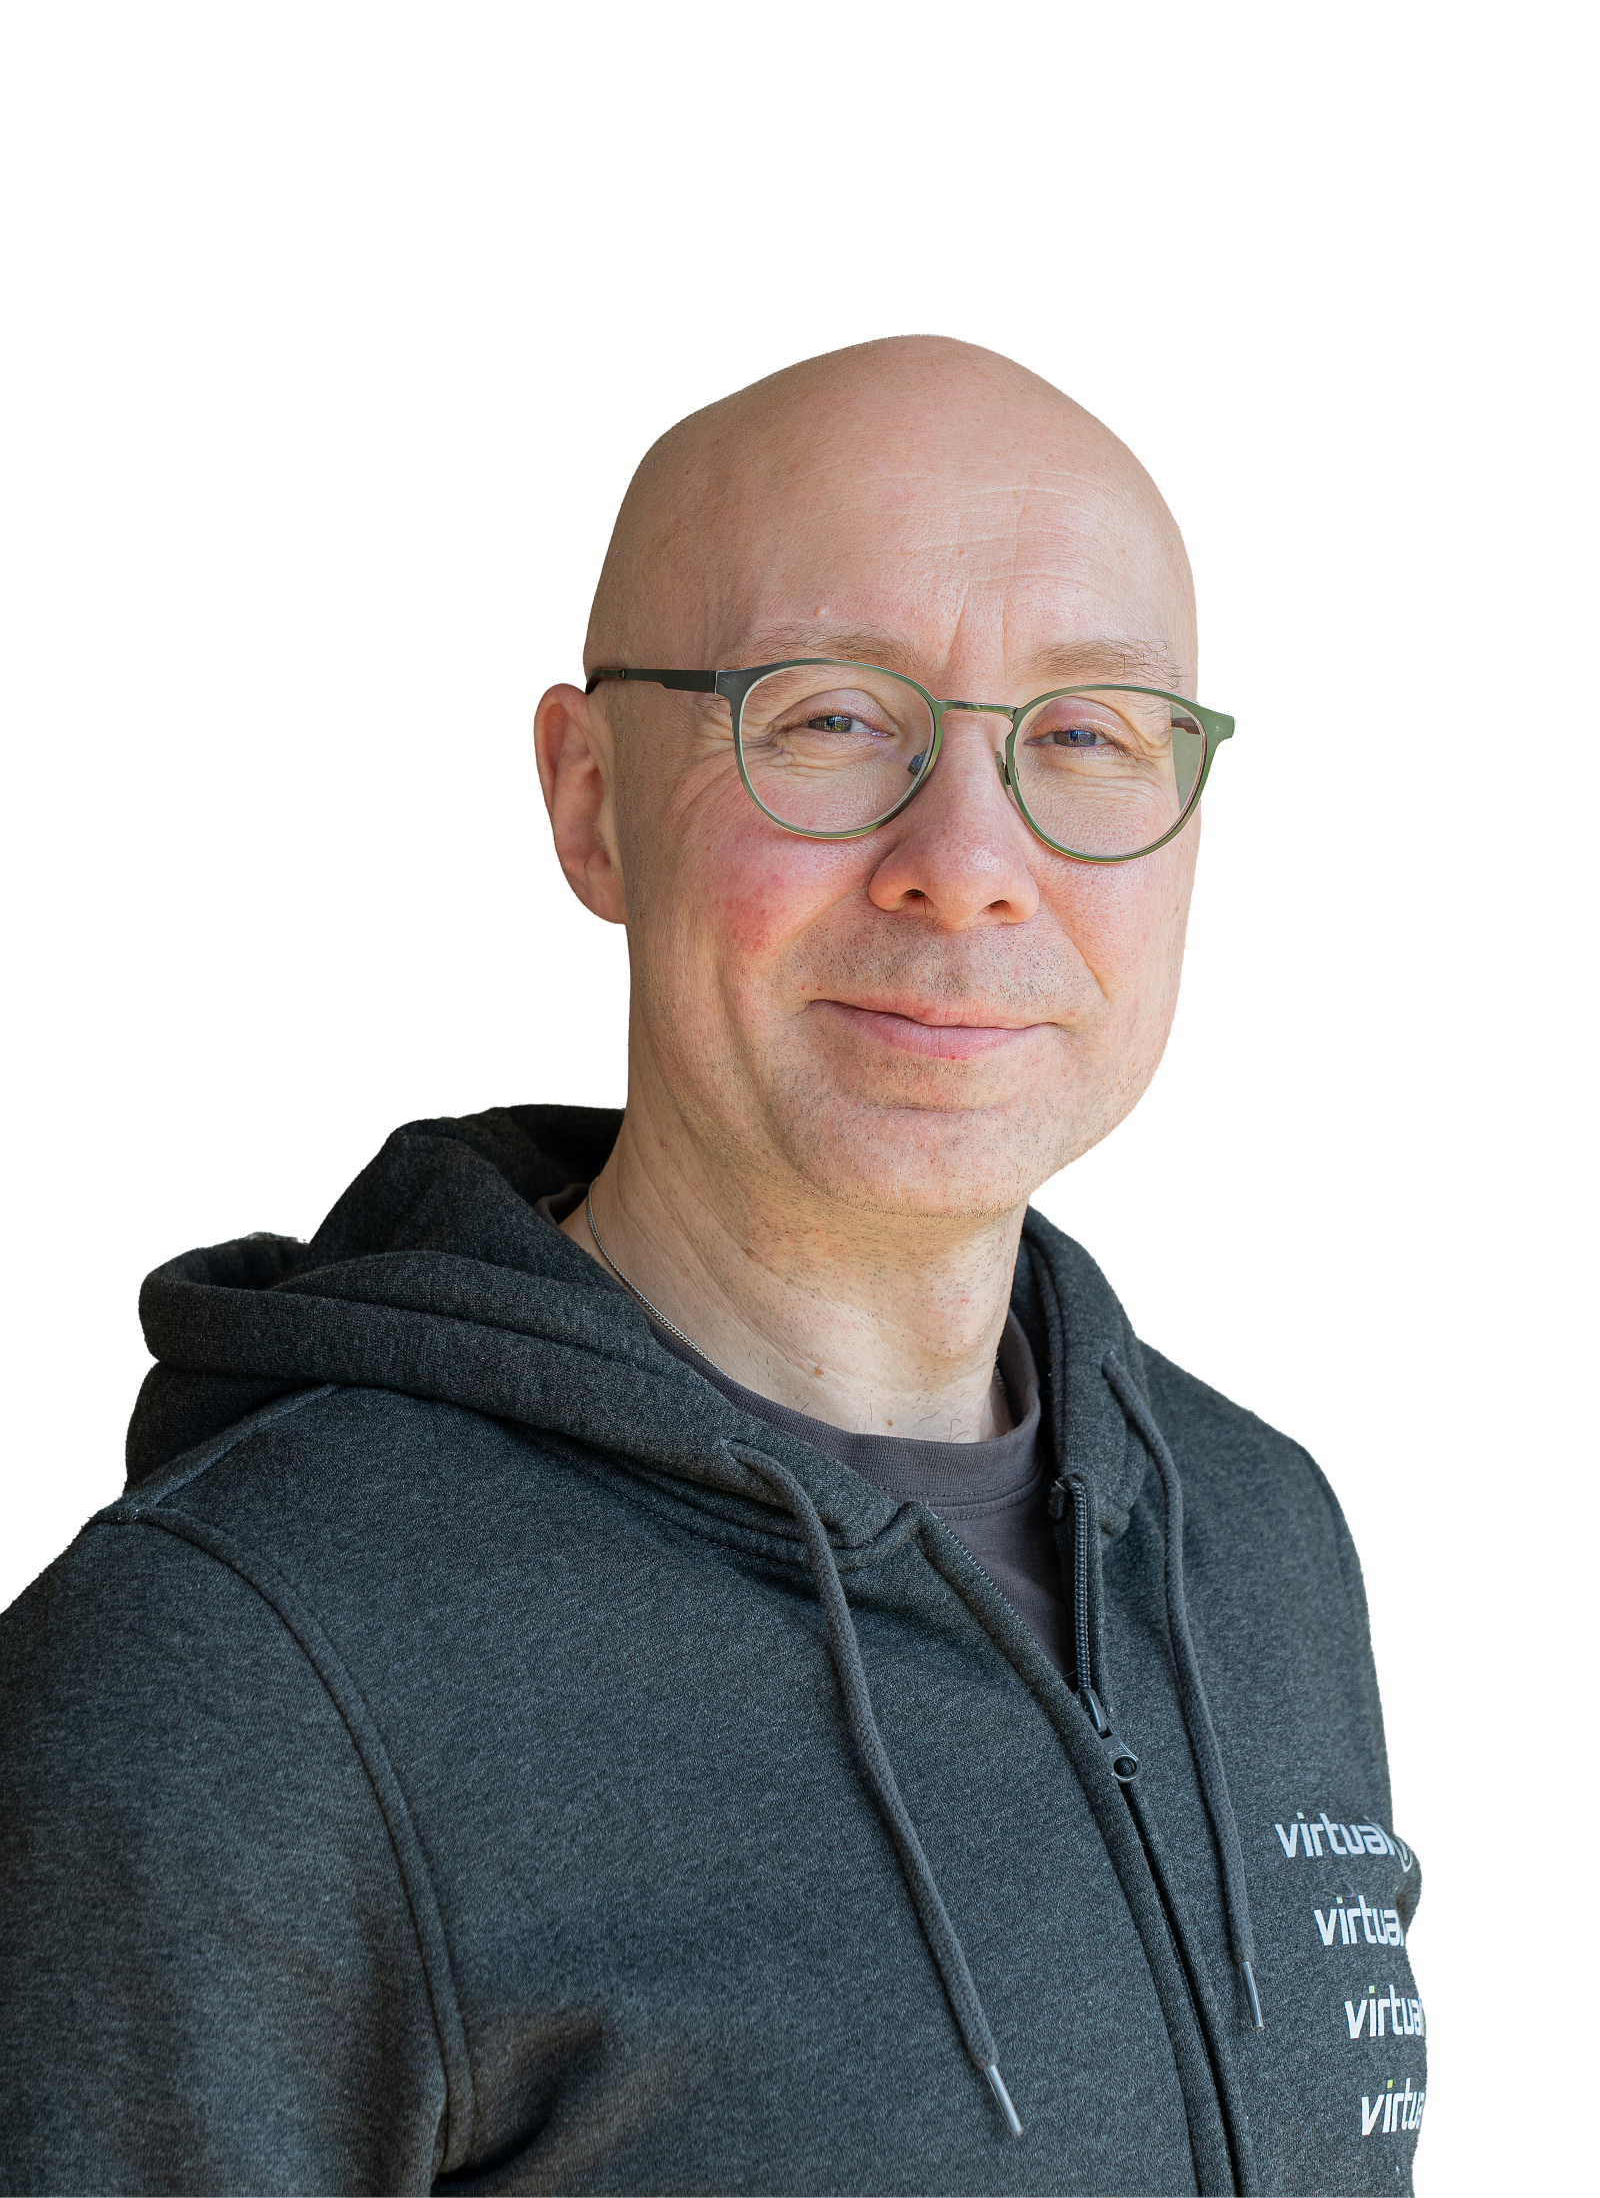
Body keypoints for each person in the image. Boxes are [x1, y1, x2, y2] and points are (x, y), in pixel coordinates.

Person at [1, 336, 1426, 2194]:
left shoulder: (1261, 1531)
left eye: (1085, 734)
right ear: (591, 799)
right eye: (832, 716)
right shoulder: (240, 1665)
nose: (971, 862)